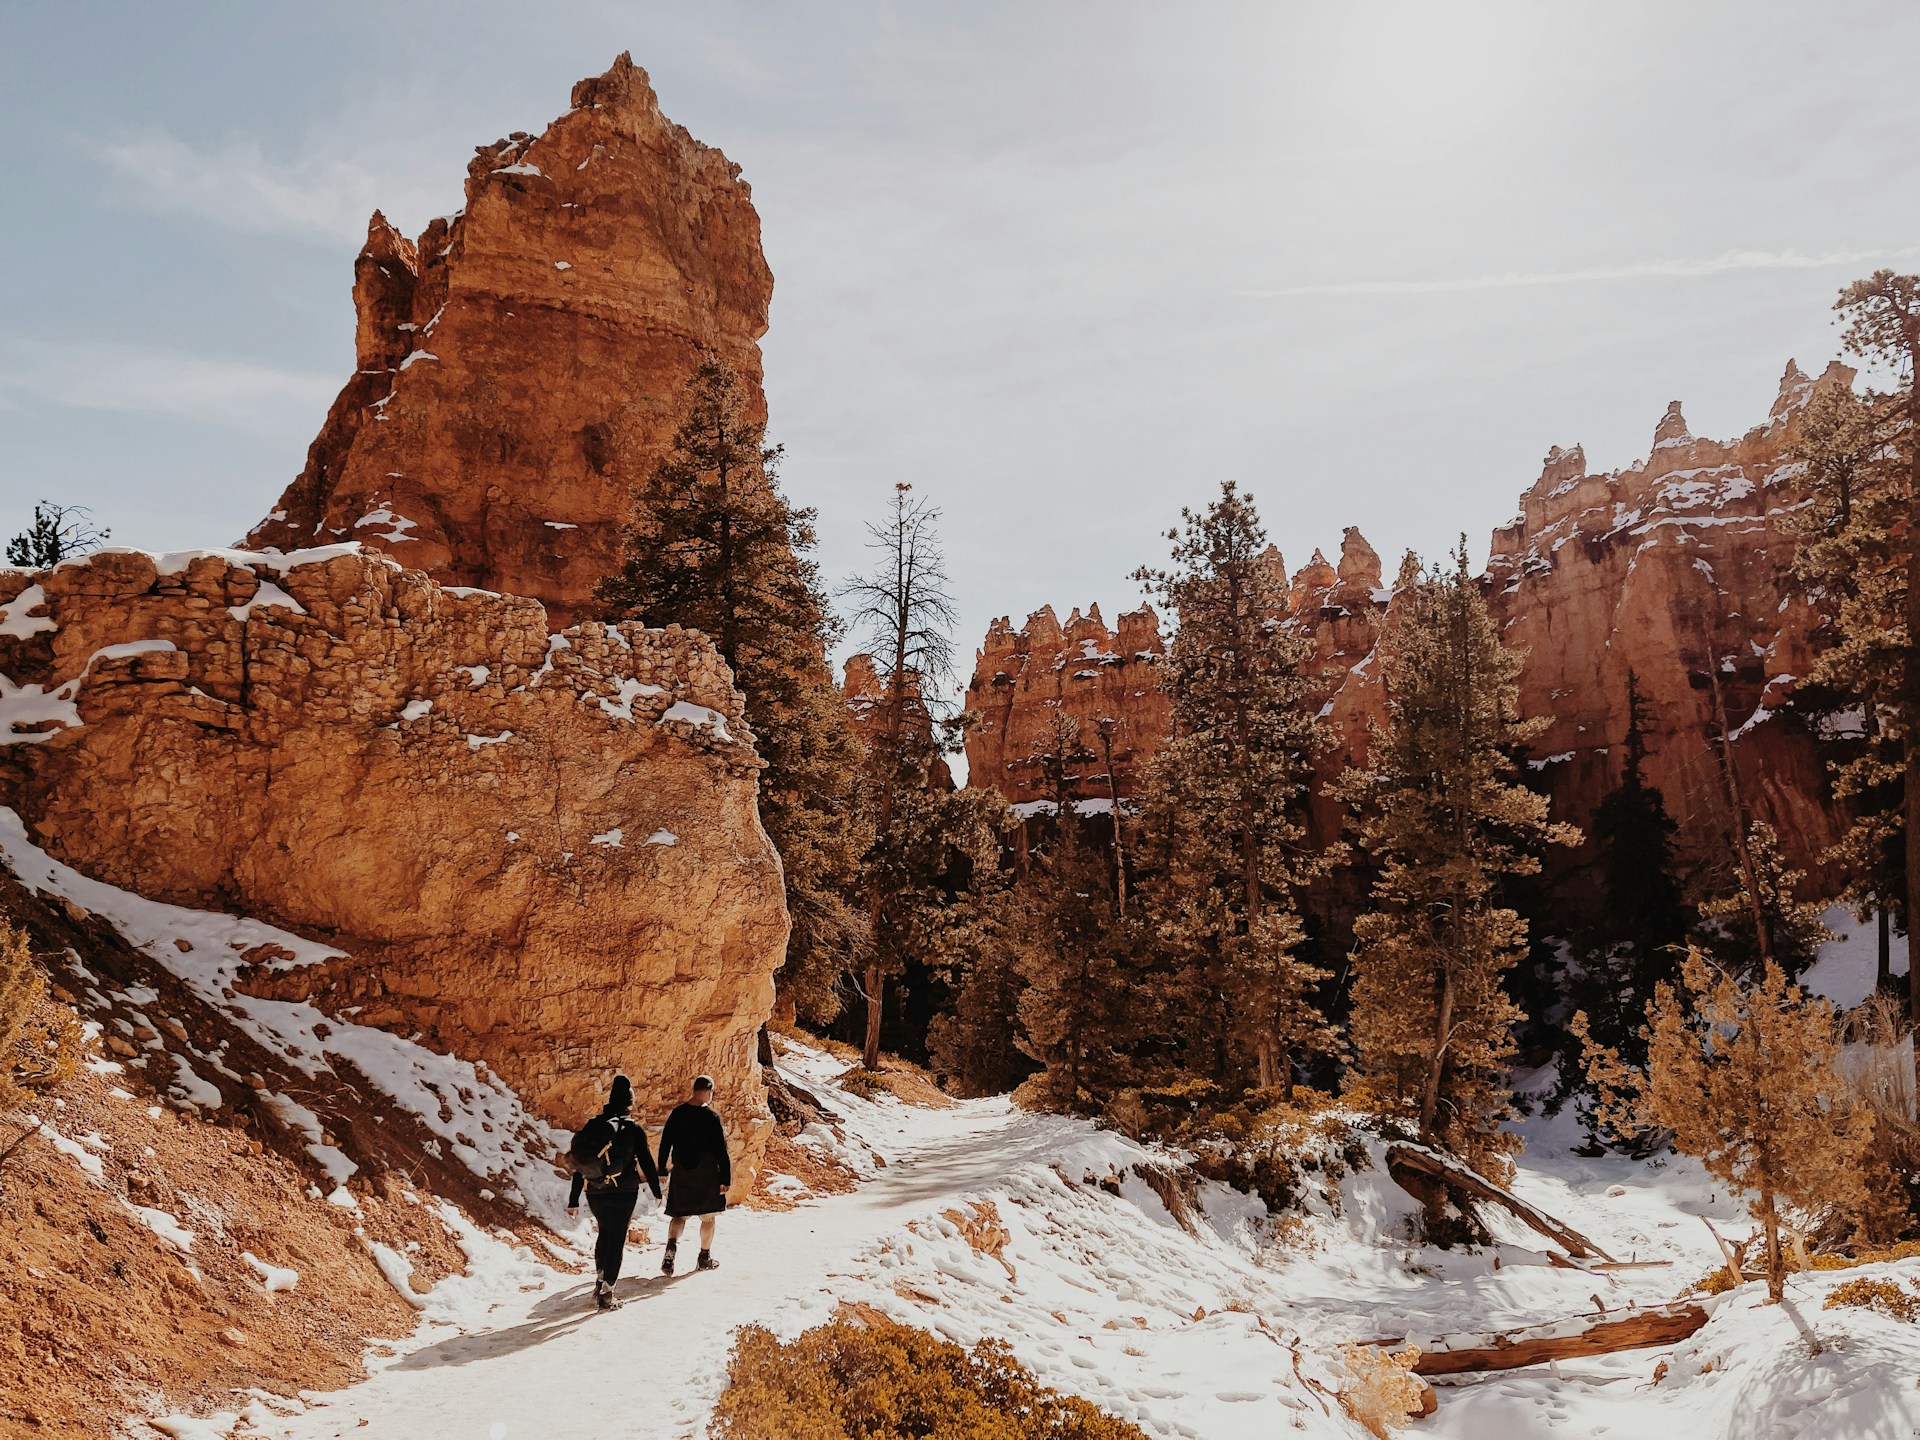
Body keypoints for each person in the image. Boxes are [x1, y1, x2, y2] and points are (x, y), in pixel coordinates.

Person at [566, 1075, 661, 1310]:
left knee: (604, 1233)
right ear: (630, 1103)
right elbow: (647, 1163)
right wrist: (656, 1191)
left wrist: (573, 1199)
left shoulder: (592, 1126)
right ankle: (608, 1293)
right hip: (623, 1191)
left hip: (595, 1191)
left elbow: (580, 1164)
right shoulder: (632, 1129)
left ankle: (599, 1280)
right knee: (617, 1238)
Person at [657, 1074, 730, 1274]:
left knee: (679, 1215)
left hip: (682, 1171)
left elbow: (665, 1143)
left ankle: (671, 1247)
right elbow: (721, 1151)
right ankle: (704, 1256)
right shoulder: (712, 1117)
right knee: (708, 1217)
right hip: (706, 1173)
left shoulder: (677, 1113)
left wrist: (662, 1168)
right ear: (707, 1091)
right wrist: (725, 1178)